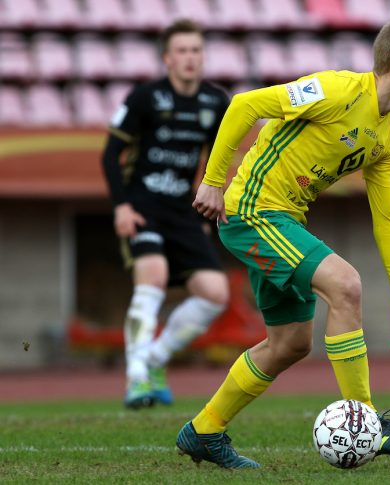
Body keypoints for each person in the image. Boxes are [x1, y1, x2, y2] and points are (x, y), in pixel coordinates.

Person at [176, 18, 390, 468]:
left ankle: (204, 430)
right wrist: (212, 181)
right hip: (251, 212)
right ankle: (368, 421)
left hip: (284, 220)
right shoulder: (336, 91)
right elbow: (245, 104)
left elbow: (387, 218)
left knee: (290, 344)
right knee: (345, 285)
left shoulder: (389, 134)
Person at [101, 19, 230, 409]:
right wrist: (122, 206)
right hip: (143, 208)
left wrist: (204, 217)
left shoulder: (215, 102)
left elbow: (216, 163)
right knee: (153, 277)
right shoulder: (144, 97)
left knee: (215, 293)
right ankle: (136, 378)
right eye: (182, 51)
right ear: (167, 58)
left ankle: (155, 360)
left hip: (182, 211)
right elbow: (110, 154)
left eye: (196, 50)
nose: (190, 58)